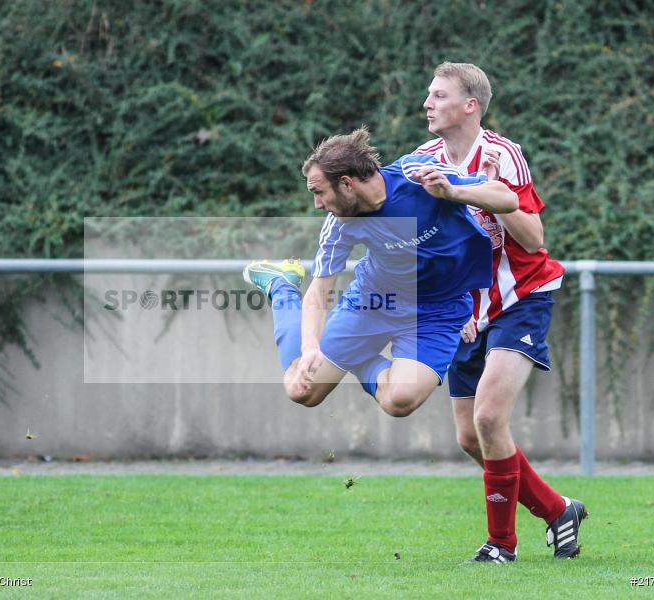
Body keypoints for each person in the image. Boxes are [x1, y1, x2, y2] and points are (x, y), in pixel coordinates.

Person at [415, 62, 587, 563]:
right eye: (429, 94)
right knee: (471, 436)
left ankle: (501, 546)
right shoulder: (423, 159)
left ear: (470, 105)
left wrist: (476, 195)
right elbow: (428, 246)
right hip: (466, 309)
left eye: (438, 94)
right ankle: (558, 510)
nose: (427, 102)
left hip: (521, 297)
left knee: (491, 418)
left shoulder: (502, 154)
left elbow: (535, 240)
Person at [244, 127, 516, 427]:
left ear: (346, 183)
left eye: (318, 192)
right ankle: (281, 285)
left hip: (439, 312)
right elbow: (320, 291)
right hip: (373, 303)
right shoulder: (338, 225)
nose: (317, 204)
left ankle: (357, 356)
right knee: (301, 389)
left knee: (399, 401)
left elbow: (507, 199)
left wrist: (452, 192)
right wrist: (310, 348)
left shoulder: (416, 174)